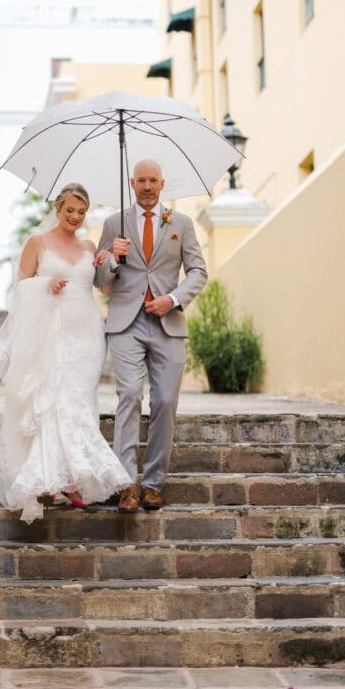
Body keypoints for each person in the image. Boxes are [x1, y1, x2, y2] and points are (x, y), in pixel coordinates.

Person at [0, 182, 129, 523]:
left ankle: (72, 482)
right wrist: (45, 285)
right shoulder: (37, 243)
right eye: (70, 210)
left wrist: (110, 261)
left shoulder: (88, 245)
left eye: (81, 212)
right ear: (57, 208)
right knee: (55, 400)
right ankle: (50, 479)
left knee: (80, 403)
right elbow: (19, 287)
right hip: (53, 334)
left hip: (87, 335)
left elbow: (104, 286)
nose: (75, 217)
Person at [94, 159, 208, 513]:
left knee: (164, 402)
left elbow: (198, 272)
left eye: (152, 180)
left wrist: (173, 299)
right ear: (132, 182)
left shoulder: (183, 224)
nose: (146, 186)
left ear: (162, 184)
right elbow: (101, 282)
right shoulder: (115, 223)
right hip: (125, 323)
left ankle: (153, 483)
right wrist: (112, 258)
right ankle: (127, 484)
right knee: (128, 395)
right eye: (140, 180)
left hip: (167, 324)